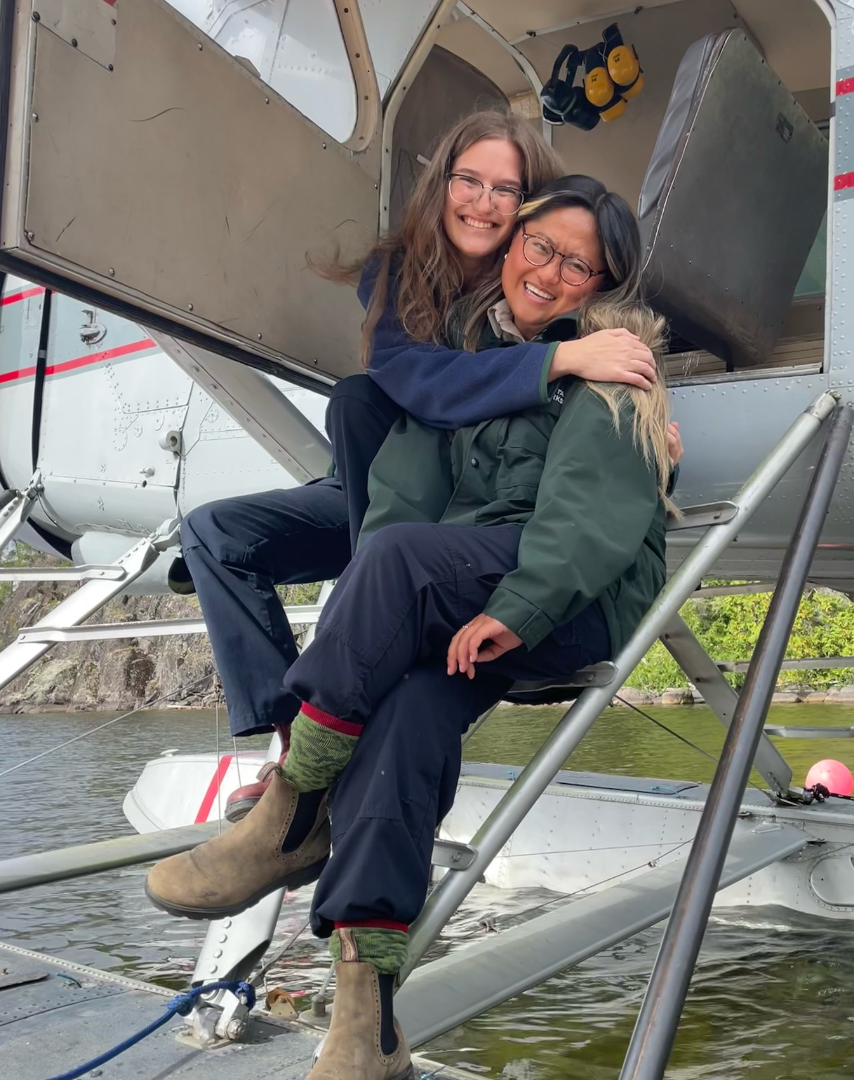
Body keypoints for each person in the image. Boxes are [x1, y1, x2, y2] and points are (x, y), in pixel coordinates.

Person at [150, 177, 675, 1080]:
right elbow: (398, 505)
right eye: (538, 245)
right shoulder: (464, 370)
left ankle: (293, 805)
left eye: (577, 263)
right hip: (466, 595)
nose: (549, 272)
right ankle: (370, 1017)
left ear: (600, 285)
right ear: (510, 246)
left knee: (390, 568)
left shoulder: (610, 365)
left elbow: (591, 514)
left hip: (569, 601)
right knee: (405, 719)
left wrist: (518, 608)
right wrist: (384, 624)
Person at [195, 114, 670, 820]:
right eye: (467, 181)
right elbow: (422, 385)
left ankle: (373, 634)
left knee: (394, 553)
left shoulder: (552, 275)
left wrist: (646, 409)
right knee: (221, 528)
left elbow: (622, 327)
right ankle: (296, 730)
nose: (482, 204)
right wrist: (559, 360)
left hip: (472, 518)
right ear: (440, 183)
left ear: (530, 207)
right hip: (384, 491)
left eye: (505, 190)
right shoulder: (400, 273)